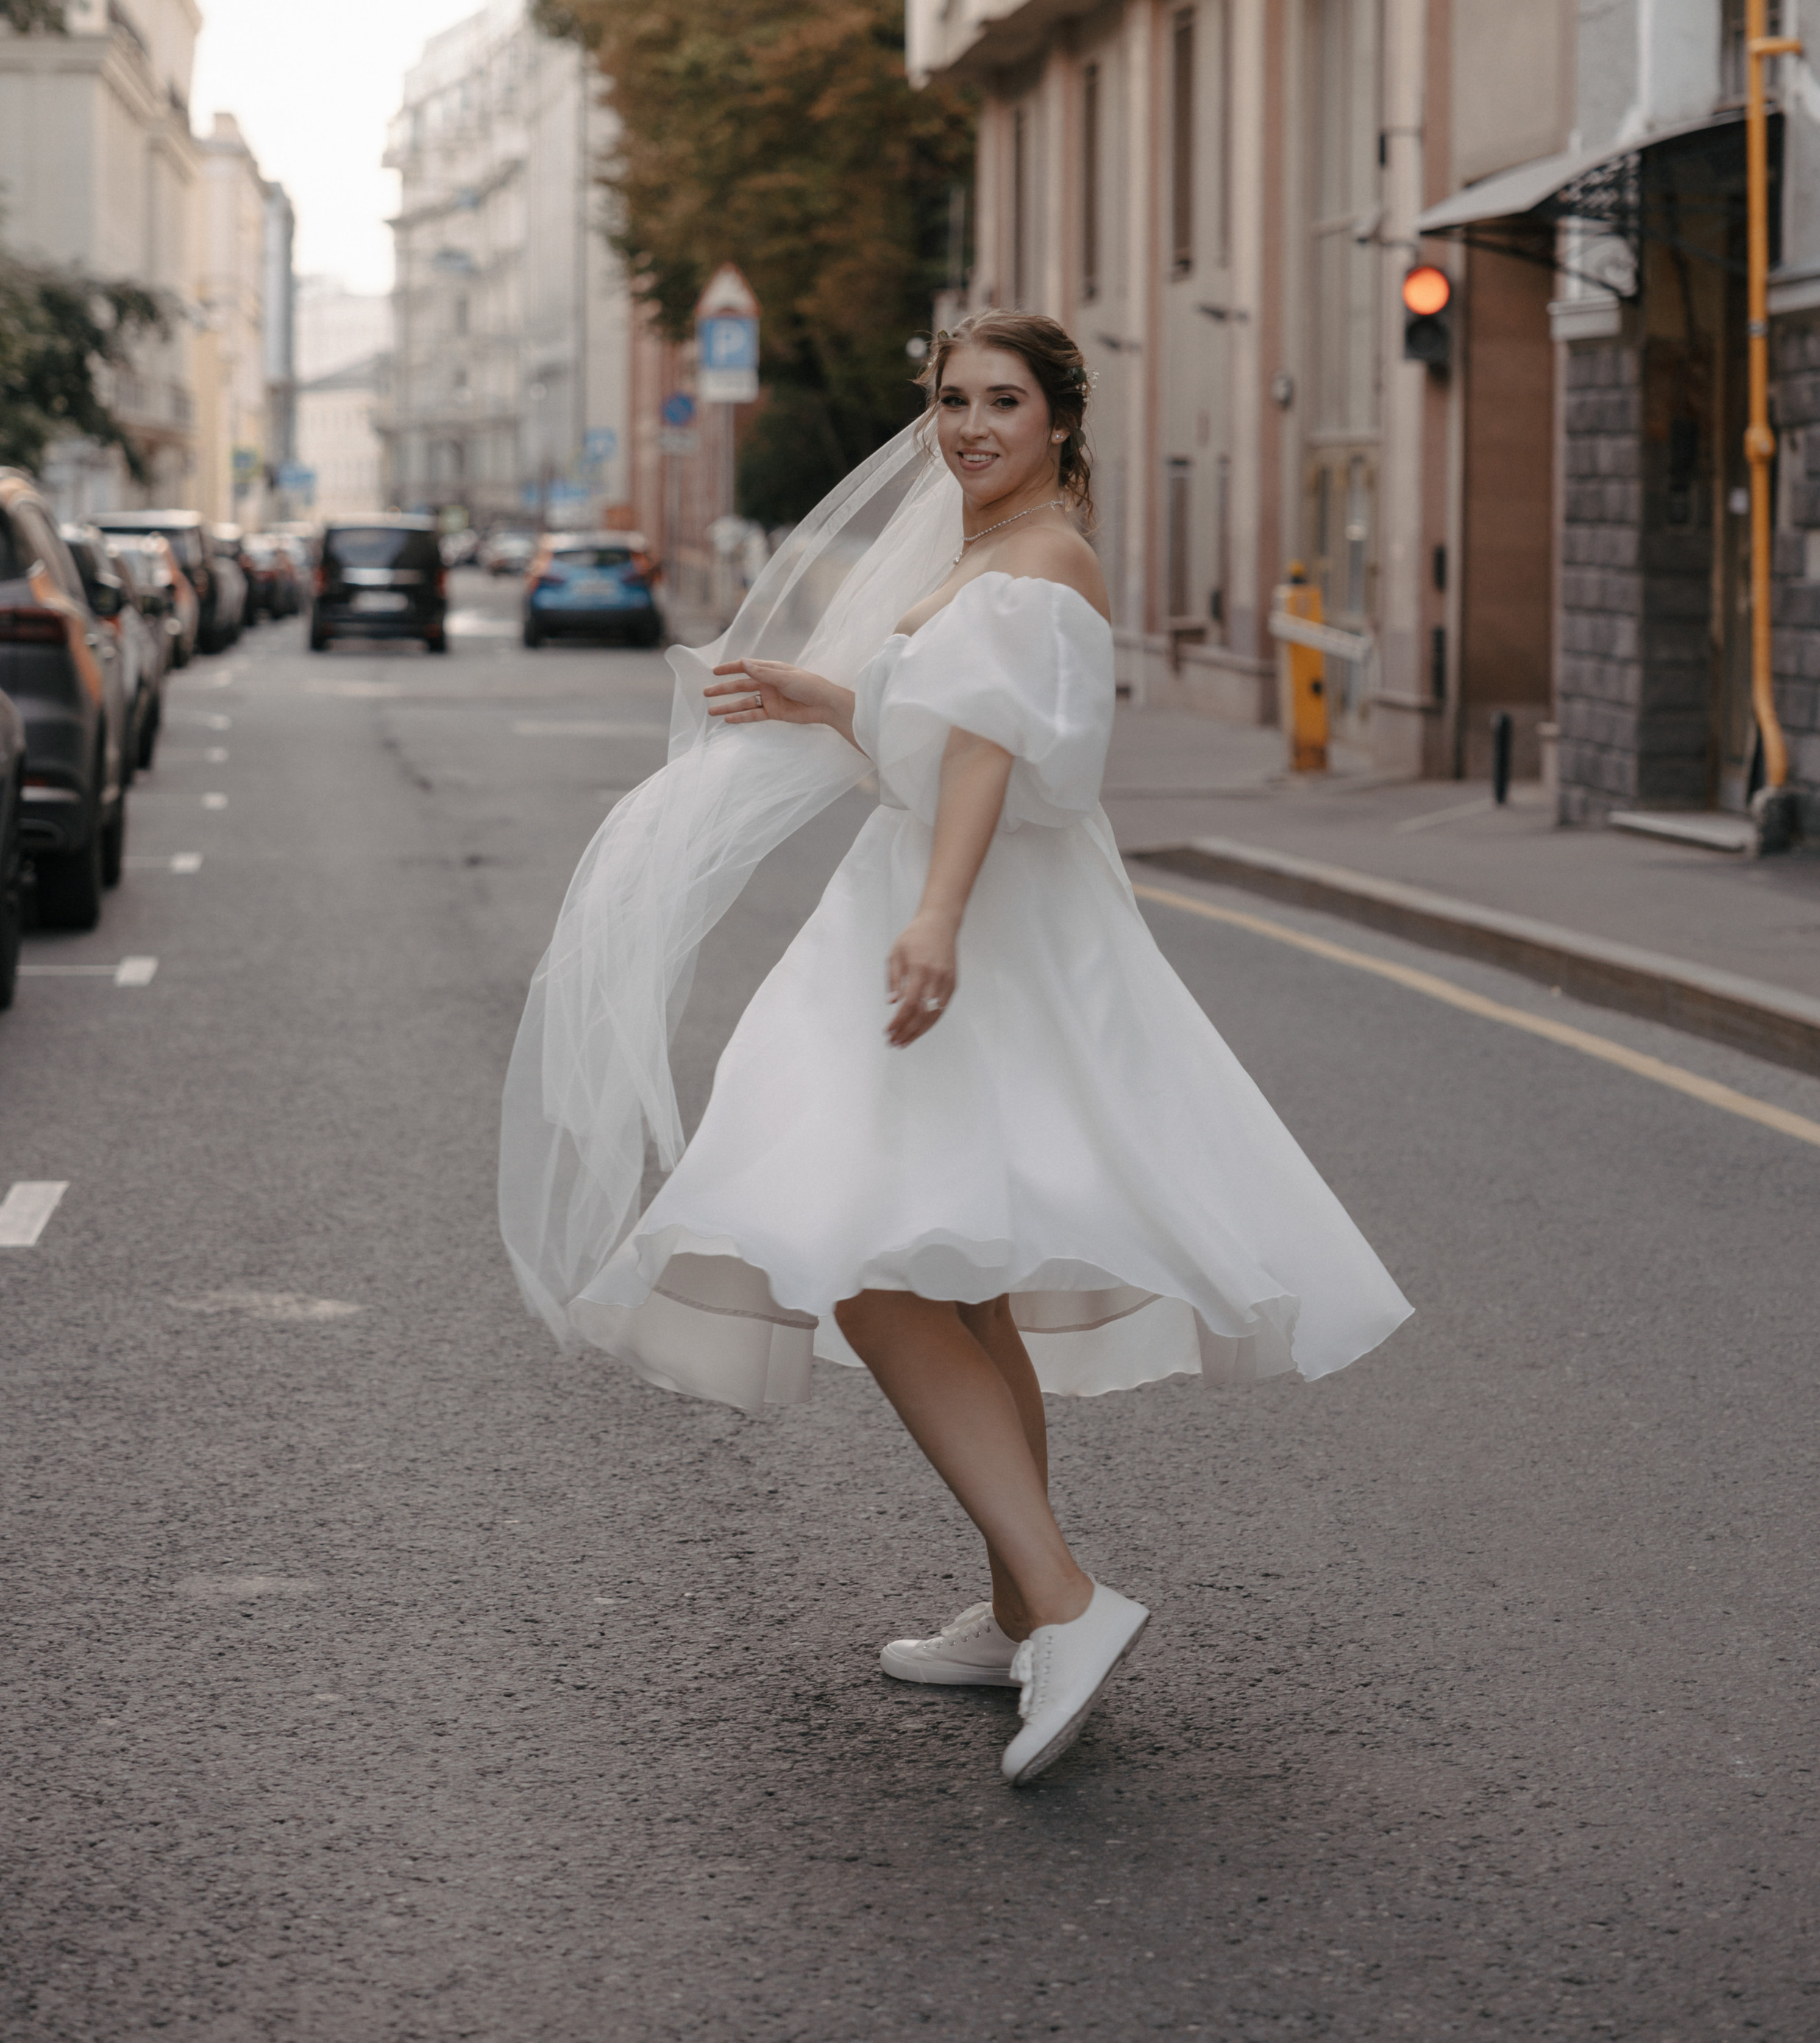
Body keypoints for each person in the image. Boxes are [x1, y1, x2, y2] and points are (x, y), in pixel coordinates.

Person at [500, 310, 1411, 1788]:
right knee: (963, 1281)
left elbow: (987, 759)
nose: (970, 425)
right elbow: (953, 733)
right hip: (970, 906)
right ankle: (1013, 1610)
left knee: (863, 1265)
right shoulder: (1000, 559)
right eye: (950, 401)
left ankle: (1064, 1599)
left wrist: (931, 918)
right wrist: (832, 700)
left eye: (1001, 401)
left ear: (1060, 420)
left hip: (963, 924)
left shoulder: (1037, 559)